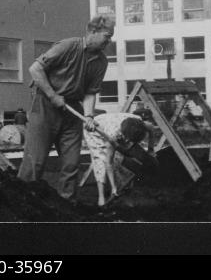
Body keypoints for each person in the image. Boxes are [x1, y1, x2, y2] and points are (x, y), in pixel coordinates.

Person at [17, 15, 115, 200]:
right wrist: (53, 96)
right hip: (45, 105)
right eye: (107, 36)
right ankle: (21, 204)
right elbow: (35, 69)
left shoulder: (101, 62)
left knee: (71, 164)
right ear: (93, 31)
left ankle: (67, 207)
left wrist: (89, 116)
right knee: (35, 162)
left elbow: (90, 92)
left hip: (72, 110)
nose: (109, 41)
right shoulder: (68, 46)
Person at [83, 112, 148, 206]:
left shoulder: (141, 125)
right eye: (128, 139)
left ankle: (124, 191)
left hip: (113, 124)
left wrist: (150, 149)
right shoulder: (113, 135)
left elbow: (151, 129)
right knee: (101, 159)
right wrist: (113, 186)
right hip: (93, 129)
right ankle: (102, 197)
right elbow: (109, 162)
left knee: (120, 157)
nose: (128, 141)